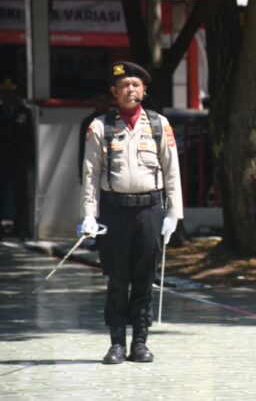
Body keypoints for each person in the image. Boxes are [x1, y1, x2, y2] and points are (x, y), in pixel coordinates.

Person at [79, 61, 183, 364]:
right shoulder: (99, 127)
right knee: (117, 279)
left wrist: (173, 213)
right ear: (114, 92)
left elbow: (172, 170)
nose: (130, 90)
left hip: (149, 210)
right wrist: (89, 215)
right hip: (114, 212)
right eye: (124, 86)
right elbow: (90, 175)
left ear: (144, 89)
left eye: (136, 85)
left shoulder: (159, 125)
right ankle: (116, 343)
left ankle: (140, 341)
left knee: (144, 279)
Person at [0, 78, 34, 240]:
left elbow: (29, 137)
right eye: (5, 93)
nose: (8, 96)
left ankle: (20, 226)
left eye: (11, 93)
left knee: (21, 194)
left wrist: (29, 160)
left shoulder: (23, 112)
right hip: (2, 160)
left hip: (18, 160)